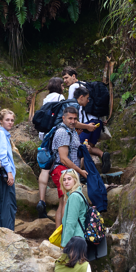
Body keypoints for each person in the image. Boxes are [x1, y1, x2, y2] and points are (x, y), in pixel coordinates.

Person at [50, 107, 87, 229]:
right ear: (63, 118)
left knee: (63, 202)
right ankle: (64, 233)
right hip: (62, 170)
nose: (73, 121)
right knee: (65, 202)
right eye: (70, 118)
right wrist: (80, 171)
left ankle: (60, 234)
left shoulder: (72, 131)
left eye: (75, 119)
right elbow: (63, 158)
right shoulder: (62, 132)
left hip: (68, 171)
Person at [37, 77, 65, 219]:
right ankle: (61, 198)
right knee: (58, 163)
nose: (64, 87)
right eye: (63, 85)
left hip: (44, 135)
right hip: (55, 133)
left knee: (45, 168)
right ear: (59, 86)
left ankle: (41, 201)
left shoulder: (46, 98)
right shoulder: (60, 98)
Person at [0, 108, 17, 230]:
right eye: (7, 120)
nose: (10, 122)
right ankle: (9, 234)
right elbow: (2, 155)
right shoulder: (1, 134)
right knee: (8, 205)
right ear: (1, 121)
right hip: (3, 175)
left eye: (12, 120)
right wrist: (9, 172)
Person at [74, 87, 110, 174]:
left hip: (87, 123)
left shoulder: (74, 104)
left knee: (82, 147)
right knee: (88, 147)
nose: (88, 100)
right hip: (97, 122)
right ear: (82, 97)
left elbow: (73, 122)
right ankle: (102, 155)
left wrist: (86, 126)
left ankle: (80, 172)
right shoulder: (95, 91)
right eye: (87, 98)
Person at [60, 169, 87, 247]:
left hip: (75, 240)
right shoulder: (79, 194)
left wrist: (65, 244)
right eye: (64, 180)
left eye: (69, 179)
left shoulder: (74, 196)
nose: (66, 182)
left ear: (75, 180)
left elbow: (71, 223)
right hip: (79, 239)